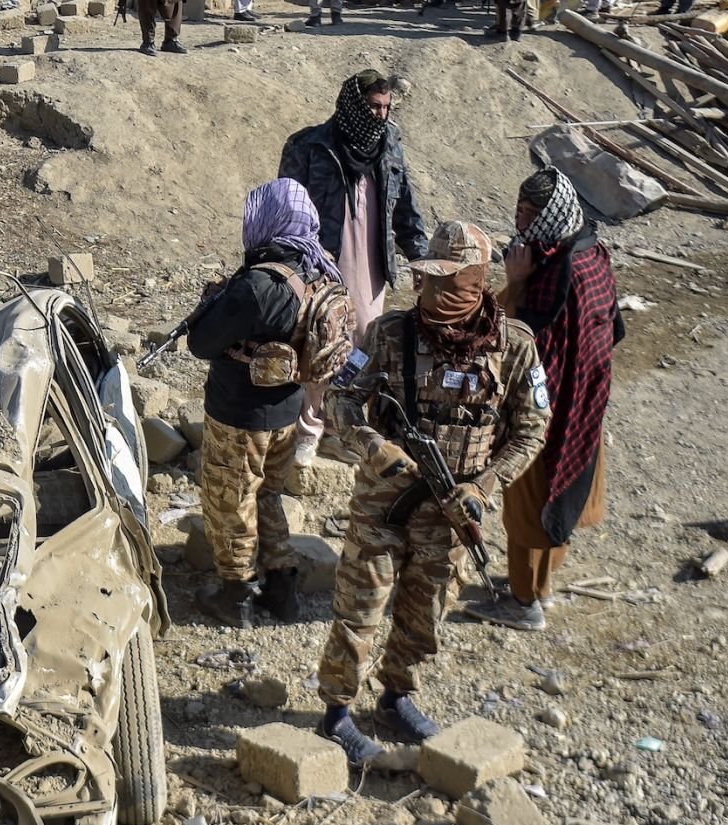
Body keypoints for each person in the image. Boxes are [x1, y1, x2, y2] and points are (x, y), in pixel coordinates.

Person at [316, 221, 550, 763]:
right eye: (428, 281)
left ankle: (397, 698)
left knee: (425, 613)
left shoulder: (513, 348)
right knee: (360, 607)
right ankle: (336, 712)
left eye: (451, 285)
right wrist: (376, 448)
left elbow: (531, 428)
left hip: (450, 512)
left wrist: (485, 485)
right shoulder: (388, 335)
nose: (434, 295)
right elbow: (341, 400)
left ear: (478, 284)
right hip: (383, 501)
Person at [467, 168, 619, 632]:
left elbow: (518, 337)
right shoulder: (591, 250)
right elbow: (615, 326)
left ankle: (521, 603)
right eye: (519, 209)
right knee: (561, 488)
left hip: (547, 403)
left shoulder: (556, 269)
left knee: (528, 499)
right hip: (585, 397)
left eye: (530, 213)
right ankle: (543, 587)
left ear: (552, 214)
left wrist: (514, 281)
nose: (520, 220)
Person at [186, 179, 336, 628]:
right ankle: (281, 586)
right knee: (268, 496)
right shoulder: (320, 269)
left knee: (230, 500)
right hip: (289, 410)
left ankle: (234, 595)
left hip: (240, 413)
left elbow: (202, 342)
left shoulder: (259, 284)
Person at [279, 70, 429, 468]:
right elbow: (287, 209)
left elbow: (405, 203)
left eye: (385, 108)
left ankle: (339, 427)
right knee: (319, 344)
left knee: (361, 347)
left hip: (371, 262)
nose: (380, 116)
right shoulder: (309, 146)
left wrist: (421, 257)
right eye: (373, 107)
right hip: (322, 263)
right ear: (354, 106)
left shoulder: (389, 144)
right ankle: (309, 430)